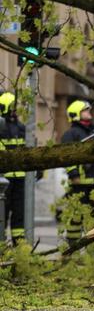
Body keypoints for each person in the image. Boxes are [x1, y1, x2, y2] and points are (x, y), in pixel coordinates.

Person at [60, 100, 94, 244]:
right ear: (76, 114)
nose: (89, 112)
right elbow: (66, 157)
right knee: (76, 218)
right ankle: (73, 248)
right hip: (79, 186)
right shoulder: (70, 134)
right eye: (85, 110)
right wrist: (74, 174)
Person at [0, 92, 27, 243]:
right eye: (12, 107)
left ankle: (20, 251)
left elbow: (29, 151)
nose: (15, 110)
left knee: (19, 217)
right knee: (1, 215)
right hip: (3, 182)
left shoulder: (22, 128)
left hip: (20, 181)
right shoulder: (0, 128)